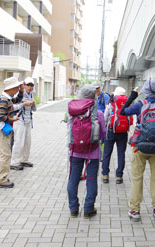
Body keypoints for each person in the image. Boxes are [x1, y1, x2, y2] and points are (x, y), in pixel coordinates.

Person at [120, 79, 155, 222]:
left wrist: (133, 95)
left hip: (140, 146)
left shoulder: (139, 105)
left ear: (144, 91)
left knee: (137, 178)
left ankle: (135, 210)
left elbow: (123, 111)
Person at [67, 84, 106, 219]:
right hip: (93, 152)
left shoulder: (71, 111)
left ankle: (73, 209)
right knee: (91, 179)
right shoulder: (98, 113)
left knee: (73, 179)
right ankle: (88, 209)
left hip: (75, 151)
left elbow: (69, 130)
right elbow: (103, 132)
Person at [0, 77, 24, 188]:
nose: (17, 89)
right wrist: (12, 119)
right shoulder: (4, 99)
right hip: (1, 131)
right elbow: (1, 117)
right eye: (17, 87)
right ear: (12, 88)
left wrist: (21, 90)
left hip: (0, 130)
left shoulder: (6, 98)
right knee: (5, 155)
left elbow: (18, 100)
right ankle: (1, 179)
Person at [102, 87, 130, 184]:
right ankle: (119, 176)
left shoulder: (111, 103)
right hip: (123, 132)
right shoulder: (127, 104)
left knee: (106, 153)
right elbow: (130, 120)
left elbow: (105, 117)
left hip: (111, 130)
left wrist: (106, 125)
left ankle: (105, 175)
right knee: (121, 154)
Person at [10, 77, 36, 171]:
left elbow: (34, 109)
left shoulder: (31, 95)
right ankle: (14, 162)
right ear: (24, 85)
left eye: (31, 85)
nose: (29, 87)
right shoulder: (18, 94)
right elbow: (12, 107)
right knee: (19, 142)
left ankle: (24, 159)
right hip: (19, 120)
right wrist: (24, 104)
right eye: (28, 85)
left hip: (28, 121)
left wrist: (33, 104)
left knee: (27, 142)